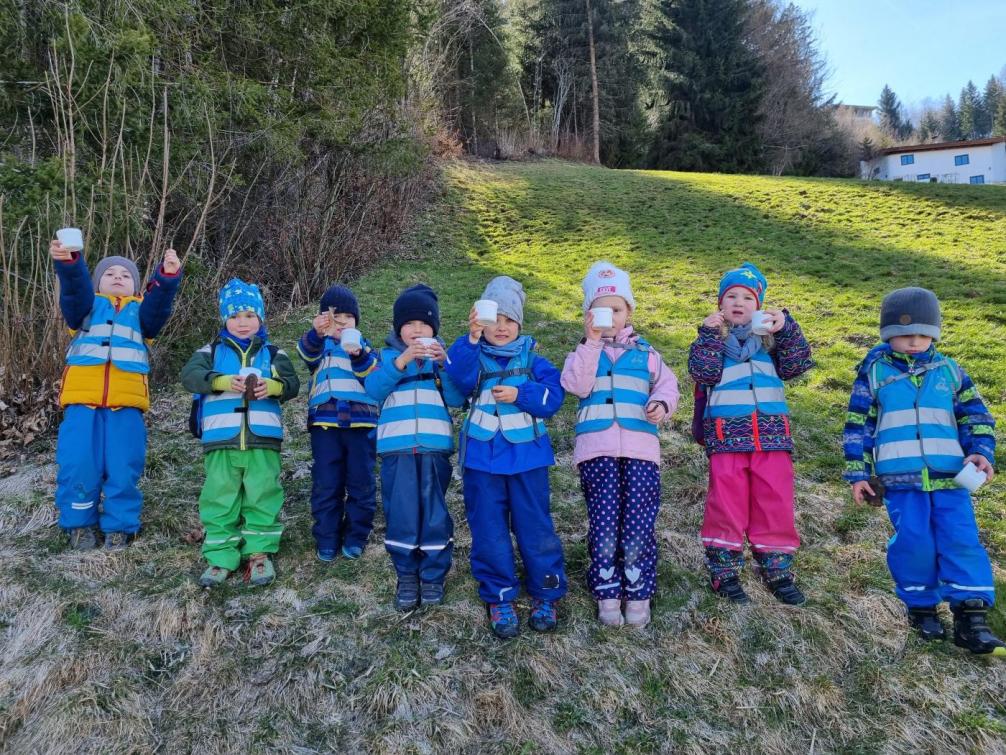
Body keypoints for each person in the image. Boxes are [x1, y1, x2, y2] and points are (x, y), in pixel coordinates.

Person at [843, 287, 1003, 656]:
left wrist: (981, 452)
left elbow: (977, 417)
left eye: (922, 334)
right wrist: (858, 474)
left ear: (934, 334)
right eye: (904, 335)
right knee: (914, 542)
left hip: (951, 479)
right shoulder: (873, 374)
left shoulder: (950, 371)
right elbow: (857, 427)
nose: (914, 342)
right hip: (901, 482)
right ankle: (921, 608)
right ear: (887, 335)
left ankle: (971, 617)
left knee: (961, 540)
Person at [446, 276, 567, 638]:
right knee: (488, 529)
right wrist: (469, 339)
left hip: (528, 460)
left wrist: (520, 392)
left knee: (535, 525)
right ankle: (499, 594)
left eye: (509, 320)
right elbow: (456, 380)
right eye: (494, 319)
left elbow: (553, 398)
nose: (501, 328)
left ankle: (546, 590)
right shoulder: (472, 355)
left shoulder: (534, 359)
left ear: (520, 324)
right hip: (481, 461)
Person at [561, 262, 679, 627]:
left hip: (641, 452)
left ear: (628, 312)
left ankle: (639, 591)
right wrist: (590, 343)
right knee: (605, 522)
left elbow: (668, 385)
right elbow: (576, 385)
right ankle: (607, 591)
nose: (609, 317)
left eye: (616, 309)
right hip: (597, 451)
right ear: (587, 315)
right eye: (600, 310)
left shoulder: (647, 353)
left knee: (639, 522)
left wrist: (661, 404)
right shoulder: (583, 352)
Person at [688, 262, 812, 606]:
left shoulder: (770, 345)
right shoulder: (709, 341)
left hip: (772, 438)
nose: (738, 301)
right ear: (720, 305)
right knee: (725, 504)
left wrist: (786, 328)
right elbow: (703, 372)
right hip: (726, 440)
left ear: (759, 307)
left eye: (747, 297)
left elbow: (797, 365)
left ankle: (777, 570)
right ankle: (724, 572)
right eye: (731, 296)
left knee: (775, 501)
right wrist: (709, 335)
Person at [50, 237, 182, 549]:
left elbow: (159, 305)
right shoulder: (85, 308)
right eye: (110, 274)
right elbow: (74, 288)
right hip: (82, 405)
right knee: (78, 464)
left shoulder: (142, 313)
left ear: (136, 287)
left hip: (127, 407)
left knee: (124, 467)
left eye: (125, 274)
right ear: (97, 283)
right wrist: (70, 263)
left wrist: (166, 277)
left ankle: (120, 527)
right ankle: (79, 525)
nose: (118, 277)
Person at [181, 279, 300, 587]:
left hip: (263, 440)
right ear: (225, 319)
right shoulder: (210, 351)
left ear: (260, 318)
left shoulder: (274, 353)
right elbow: (190, 376)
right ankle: (220, 557)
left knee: (263, 495)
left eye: (249, 315)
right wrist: (220, 382)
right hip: (221, 441)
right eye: (235, 316)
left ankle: (259, 553)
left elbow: (292, 384)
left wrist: (271, 387)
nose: (242, 322)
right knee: (219, 497)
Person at [364, 284, 466, 610]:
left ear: (434, 328)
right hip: (397, 448)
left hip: (435, 448)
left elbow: (456, 399)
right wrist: (402, 362)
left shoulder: (441, 361)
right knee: (402, 512)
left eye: (424, 325)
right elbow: (373, 390)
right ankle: (406, 573)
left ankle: (433, 575)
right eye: (409, 325)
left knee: (435, 512)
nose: (417, 330)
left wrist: (446, 365)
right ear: (398, 329)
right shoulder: (387, 358)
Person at [297, 285, 380, 561]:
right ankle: (327, 537)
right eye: (334, 316)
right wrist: (316, 334)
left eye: (347, 316)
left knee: (361, 482)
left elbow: (373, 375)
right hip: (324, 424)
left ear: (356, 321)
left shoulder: (366, 348)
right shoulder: (320, 349)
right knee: (326, 482)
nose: (341, 322)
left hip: (361, 424)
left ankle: (356, 535)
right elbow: (305, 353)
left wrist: (358, 353)